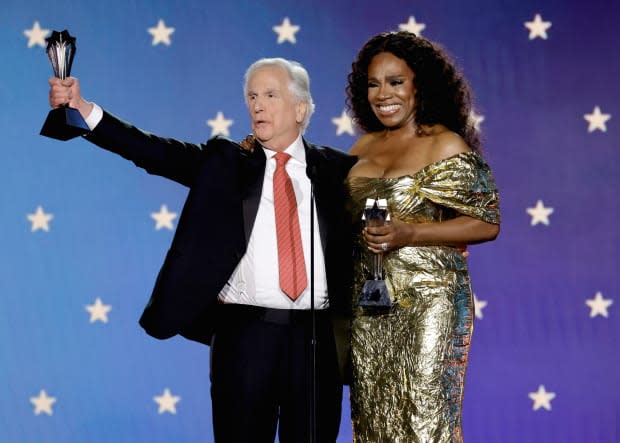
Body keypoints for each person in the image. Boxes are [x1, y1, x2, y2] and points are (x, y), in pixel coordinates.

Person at [47, 58, 356, 443]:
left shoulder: (341, 171)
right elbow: (153, 152)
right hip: (244, 336)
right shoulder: (225, 162)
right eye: (252, 96)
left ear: (301, 108)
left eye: (271, 95)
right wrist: (83, 110)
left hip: (316, 341)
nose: (257, 105)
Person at [344, 31, 501, 442]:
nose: (383, 94)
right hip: (369, 303)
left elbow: (486, 223)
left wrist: (409, 232)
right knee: (374, 419)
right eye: (373, 84)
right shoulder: (361, 147)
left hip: (430, 301)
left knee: (425, 418)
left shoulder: (445, 144)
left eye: (396, 82)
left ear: (419, 85)